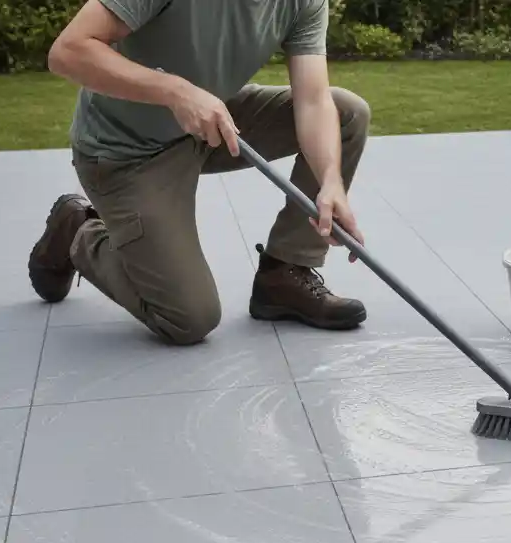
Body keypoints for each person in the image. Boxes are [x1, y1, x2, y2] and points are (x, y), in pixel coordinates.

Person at [28, 0, 370, 344]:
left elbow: (313, 100)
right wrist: (175, 92)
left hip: (209, 124)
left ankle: (285, 274)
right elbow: (68, 51)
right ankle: (79, 230)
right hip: (127, 152)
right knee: (189, 318)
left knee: (345, 113)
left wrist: (330, 180)